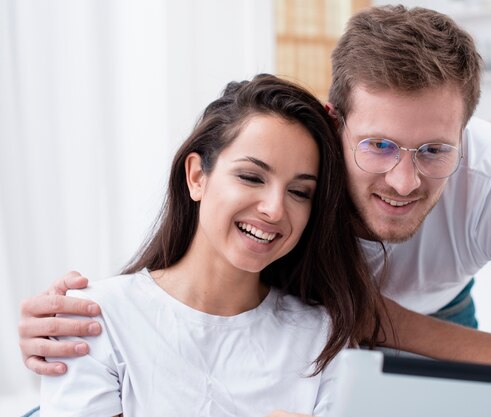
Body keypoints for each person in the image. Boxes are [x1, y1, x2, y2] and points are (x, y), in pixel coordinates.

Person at [19, 4, 491, 414]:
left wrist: (380, 324)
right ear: (336, 127)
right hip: (304, 312)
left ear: (466, 135)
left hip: (425, 318)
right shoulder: (292, 161)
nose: (404, 179)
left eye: (436, 149)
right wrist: (79, 324)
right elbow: (192, 277)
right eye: (377, 145)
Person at [35, 74, 384, 416]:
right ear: (197, 177)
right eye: (251, 177)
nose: (275, 208)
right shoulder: (96, 319)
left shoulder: (321, 335)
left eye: (299, 192)